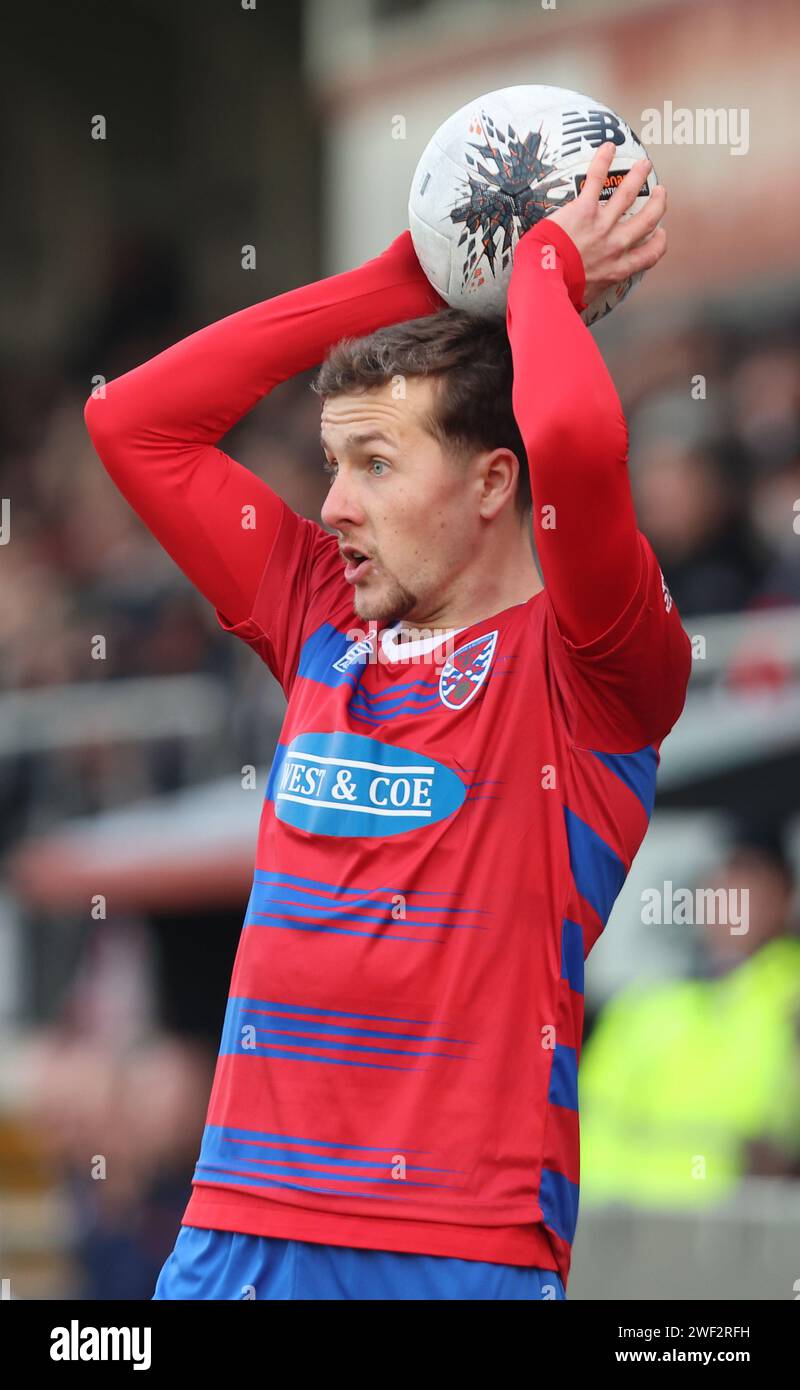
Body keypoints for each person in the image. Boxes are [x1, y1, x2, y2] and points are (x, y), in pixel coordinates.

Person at [84, 143, 691, 1300]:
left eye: (373, 461)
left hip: (455, 1246)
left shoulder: (594, 669)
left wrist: (541, 266)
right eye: (328, 461)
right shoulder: (317, 611)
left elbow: (570, 435)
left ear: (491, 483)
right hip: (240, 1226)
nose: (331, 505)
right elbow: (134, 423)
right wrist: (410, 276)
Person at [579, 825, 800, 1207]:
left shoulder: (790, 996)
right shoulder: (643, 1003)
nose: (729, 894)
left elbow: (778, 1141)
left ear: (784, 896)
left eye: (748, 878)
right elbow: (588, 1122)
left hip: (749, 1235)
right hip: (617, 1233)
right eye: (721, 879)